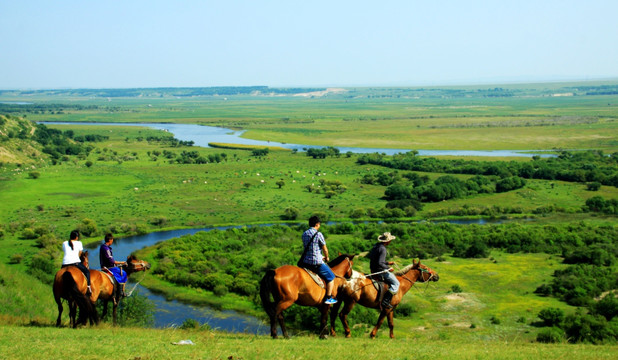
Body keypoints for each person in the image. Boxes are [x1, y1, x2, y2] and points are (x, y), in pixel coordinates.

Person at [298, 215, 338, 305]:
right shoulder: (318, 234)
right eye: (319, 224)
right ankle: (328, 297)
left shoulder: (304, 234)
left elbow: (310, 248)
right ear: (317, 224)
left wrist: (320, 256)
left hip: (306, 262)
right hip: (316, 262)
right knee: (331, 277)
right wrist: (326, 257)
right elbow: (325, 249)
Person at [368, 232, 400, 309]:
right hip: (379, 271)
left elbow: (377, 260)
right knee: (396, 283)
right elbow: (380, 263)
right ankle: (385, 301)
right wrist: (388, 268)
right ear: (388, 241)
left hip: (373, 269)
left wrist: (387, 263)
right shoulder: (383, 249)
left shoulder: (376, 246)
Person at [61, 230, 91, 295]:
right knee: (87, 272)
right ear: (77, 237)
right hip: (75, 263)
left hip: (65, 264)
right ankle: (88, 287)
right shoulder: (79, 243)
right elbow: (80, 253)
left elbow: (64, 251)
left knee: (60, 276)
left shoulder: (64, 243)